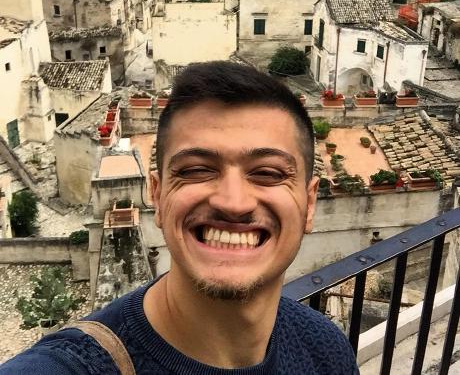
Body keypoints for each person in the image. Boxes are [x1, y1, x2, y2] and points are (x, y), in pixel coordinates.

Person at [1, 62, 359, 374]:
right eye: (196, 170)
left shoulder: (326, 350)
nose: (233, 203)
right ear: (157, 196)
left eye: (267, 173)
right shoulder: (74, 366)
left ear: (309, 203)